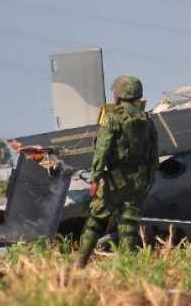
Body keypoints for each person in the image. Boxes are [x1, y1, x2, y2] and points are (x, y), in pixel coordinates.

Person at [76, 75, 158, 267]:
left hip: (114, 180)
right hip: (138, 181)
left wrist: (95, 178)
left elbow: (102, 149)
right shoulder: (147, 120)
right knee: (129, 223)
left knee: (96, 220)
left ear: (119, 95)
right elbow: (154, 156)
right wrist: (148, 179)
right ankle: (128, 267)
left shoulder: (113, 119)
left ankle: (79, 263)